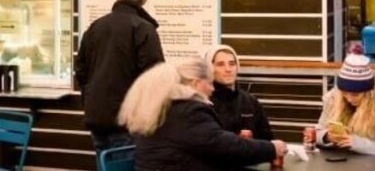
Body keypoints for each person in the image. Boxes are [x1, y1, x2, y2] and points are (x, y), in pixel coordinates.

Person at [118, 58, 285, 171]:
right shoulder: (188, 111)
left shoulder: (164, 106)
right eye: (210, 83)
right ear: (196, 83)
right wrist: (272, 148)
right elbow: (224, 146)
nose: (213, 89)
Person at [75, 0, 164, 157]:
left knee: (105, 164)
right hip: (128, 120)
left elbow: (81, 70)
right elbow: (155, 76)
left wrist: (91, 98)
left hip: (97, 116)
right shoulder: (143, 28)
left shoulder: (95, 27)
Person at [316, 52, 375, 158]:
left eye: (355, 94)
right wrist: (327, 137)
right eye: (344, 93)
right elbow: (318, 131)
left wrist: (359, 144)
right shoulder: (333, 98)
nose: (349, 98)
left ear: (368, 92)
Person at [205, 44, 273, 140]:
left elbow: (267, 140)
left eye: (232, 64)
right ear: (209, 69)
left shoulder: (250, 101)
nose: (228, 69)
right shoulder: (204, 102)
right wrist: (238, 141)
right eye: (220, 64)